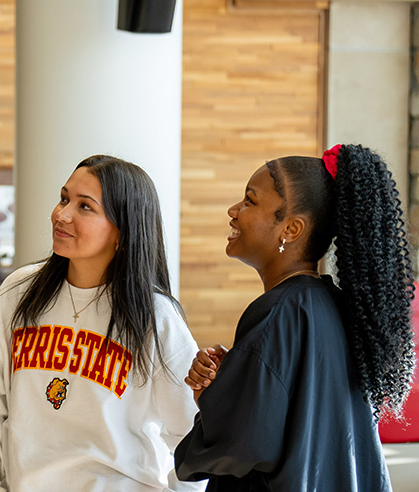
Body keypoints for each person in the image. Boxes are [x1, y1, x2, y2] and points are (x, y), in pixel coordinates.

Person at [0, 155, 204, 491]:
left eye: (85, 206)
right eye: (64, 199)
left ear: (122, 231)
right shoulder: (18, 293)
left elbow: (193, 434)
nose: (62, 214)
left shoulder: (155, 317)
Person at [175, 144, 413, 490]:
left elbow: (240, 443)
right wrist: (234, 378)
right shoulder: (333, 305)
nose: (233, 210)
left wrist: (213, 399)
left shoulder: (278, 312)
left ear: (291, 229)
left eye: (249, 201)